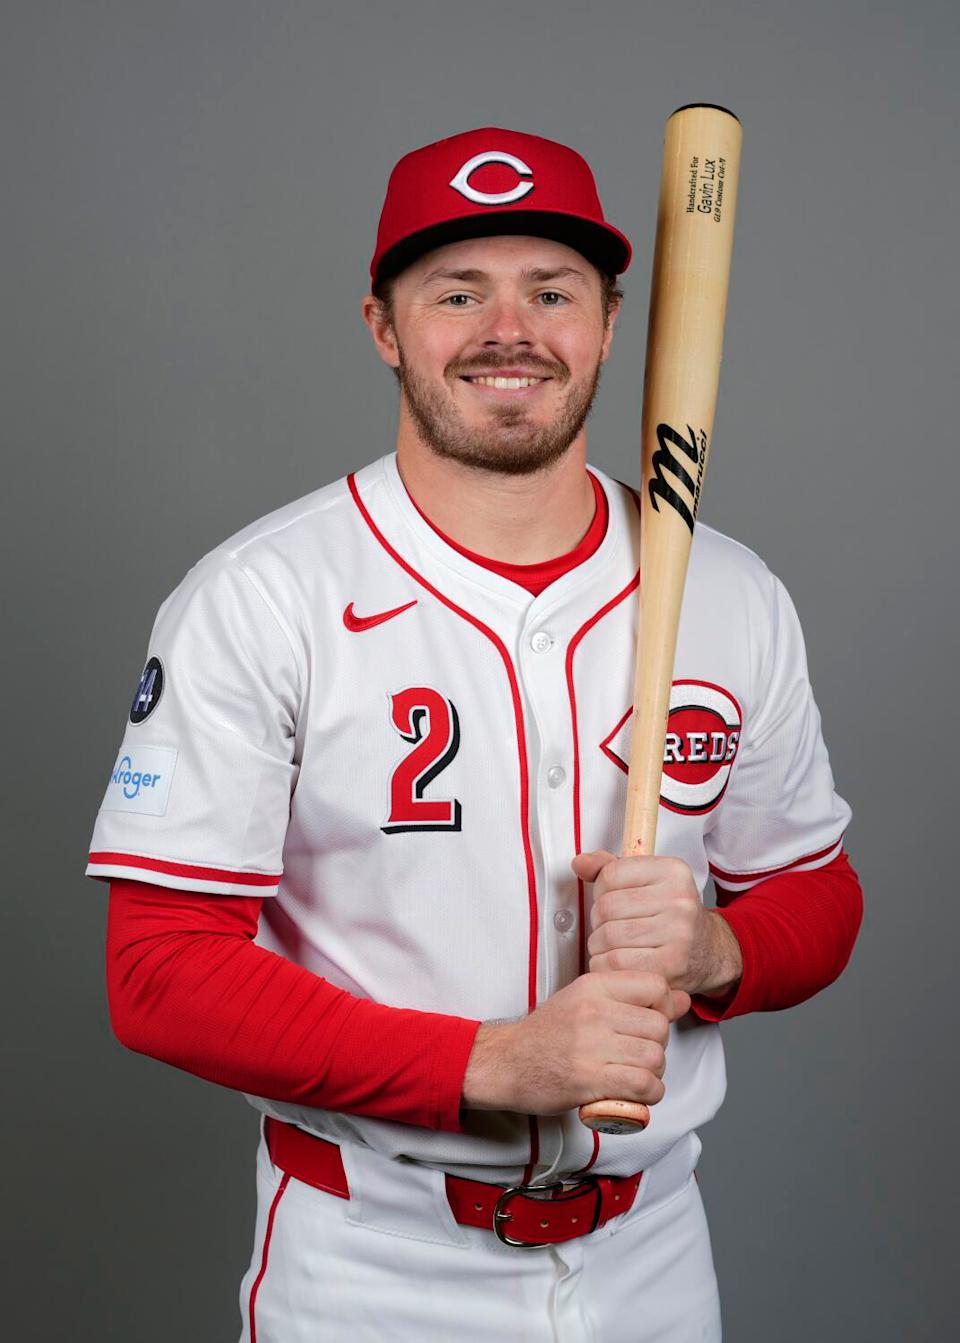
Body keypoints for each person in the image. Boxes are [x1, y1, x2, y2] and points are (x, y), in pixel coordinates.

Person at [87, 127, 862, 1342]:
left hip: (653, 1253)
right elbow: (160, 971)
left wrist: (714, 947)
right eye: (459, 292)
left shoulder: (732, 593)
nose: (511, 329)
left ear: (610, 324)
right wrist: (490, 1061)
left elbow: (819, 898)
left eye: (550, 291)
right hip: (373, 1265)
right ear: (385, 327)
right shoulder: (264, 595)